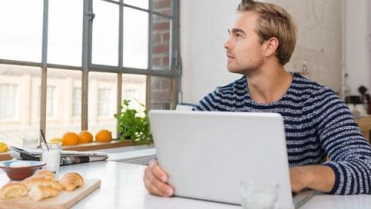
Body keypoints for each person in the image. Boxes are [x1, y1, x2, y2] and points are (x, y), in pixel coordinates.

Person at [143, 0, 371, 197]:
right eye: (229, 34)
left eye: (238, 35)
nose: (227, 43)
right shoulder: (218, 102)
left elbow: (366, 168)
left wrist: (300, 176)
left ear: (270, 46)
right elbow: (169, 158)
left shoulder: (318, 101)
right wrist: (155, 171)